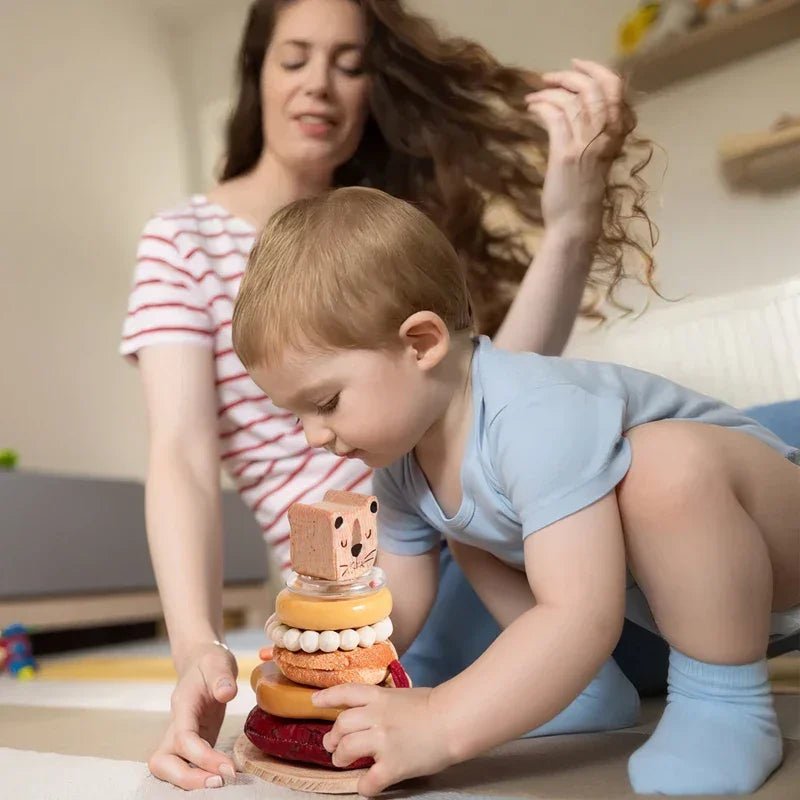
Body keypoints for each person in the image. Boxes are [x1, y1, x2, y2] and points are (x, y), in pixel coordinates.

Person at [121, 0, 655, 790]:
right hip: (384, 599)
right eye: (295, 57)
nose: (320, 84)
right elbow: (182, 456)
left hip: (495, 523)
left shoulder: (383, 225)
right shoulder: (184, 242)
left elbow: (490, 396)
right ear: (256, 72)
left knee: (681, 482)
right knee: (654, 564)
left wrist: (571, 227)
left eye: (351, 64)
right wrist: (196, 646)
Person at [232, 186, 800, 798]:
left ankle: (723, 701)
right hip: (680, 597)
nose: (314, 436)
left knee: (660, 465)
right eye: (297, 415)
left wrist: (443, 720)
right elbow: (398, 601)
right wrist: (327, 658)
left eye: (326, 403)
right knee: (471, 525)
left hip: (770, 542)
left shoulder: (533, 416)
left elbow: (581, 613)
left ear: (420, 344)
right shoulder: (402, 461)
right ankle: (589, 690)